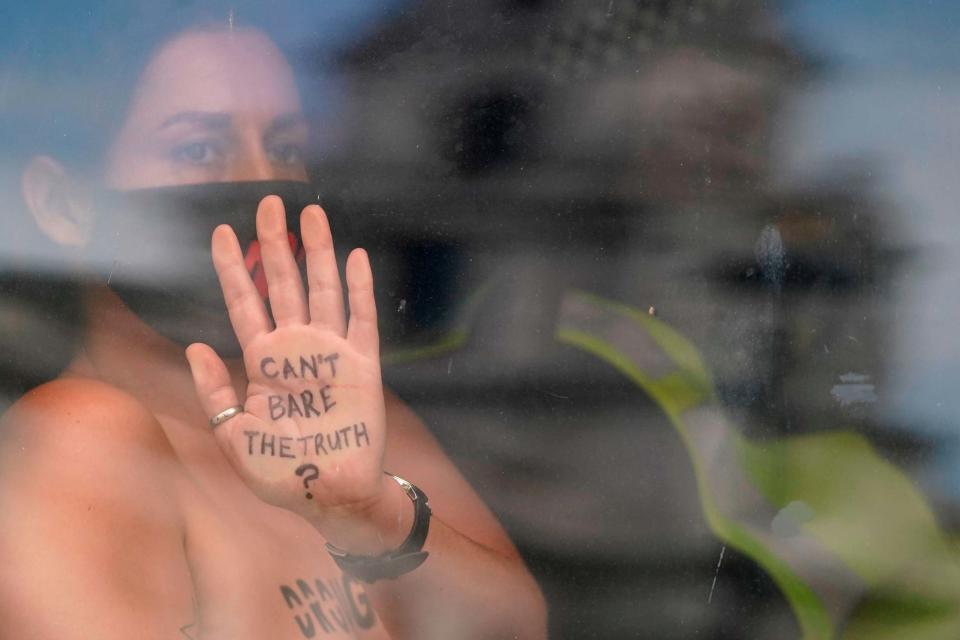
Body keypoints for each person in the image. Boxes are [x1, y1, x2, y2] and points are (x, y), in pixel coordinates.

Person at [0, 10, 545, 639]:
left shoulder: (327, 406)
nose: (261, 185)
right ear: (64, 204)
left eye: (285, 147)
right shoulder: (87, 436)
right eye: (199, 149)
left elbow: (513, 625)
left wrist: (368, 515)